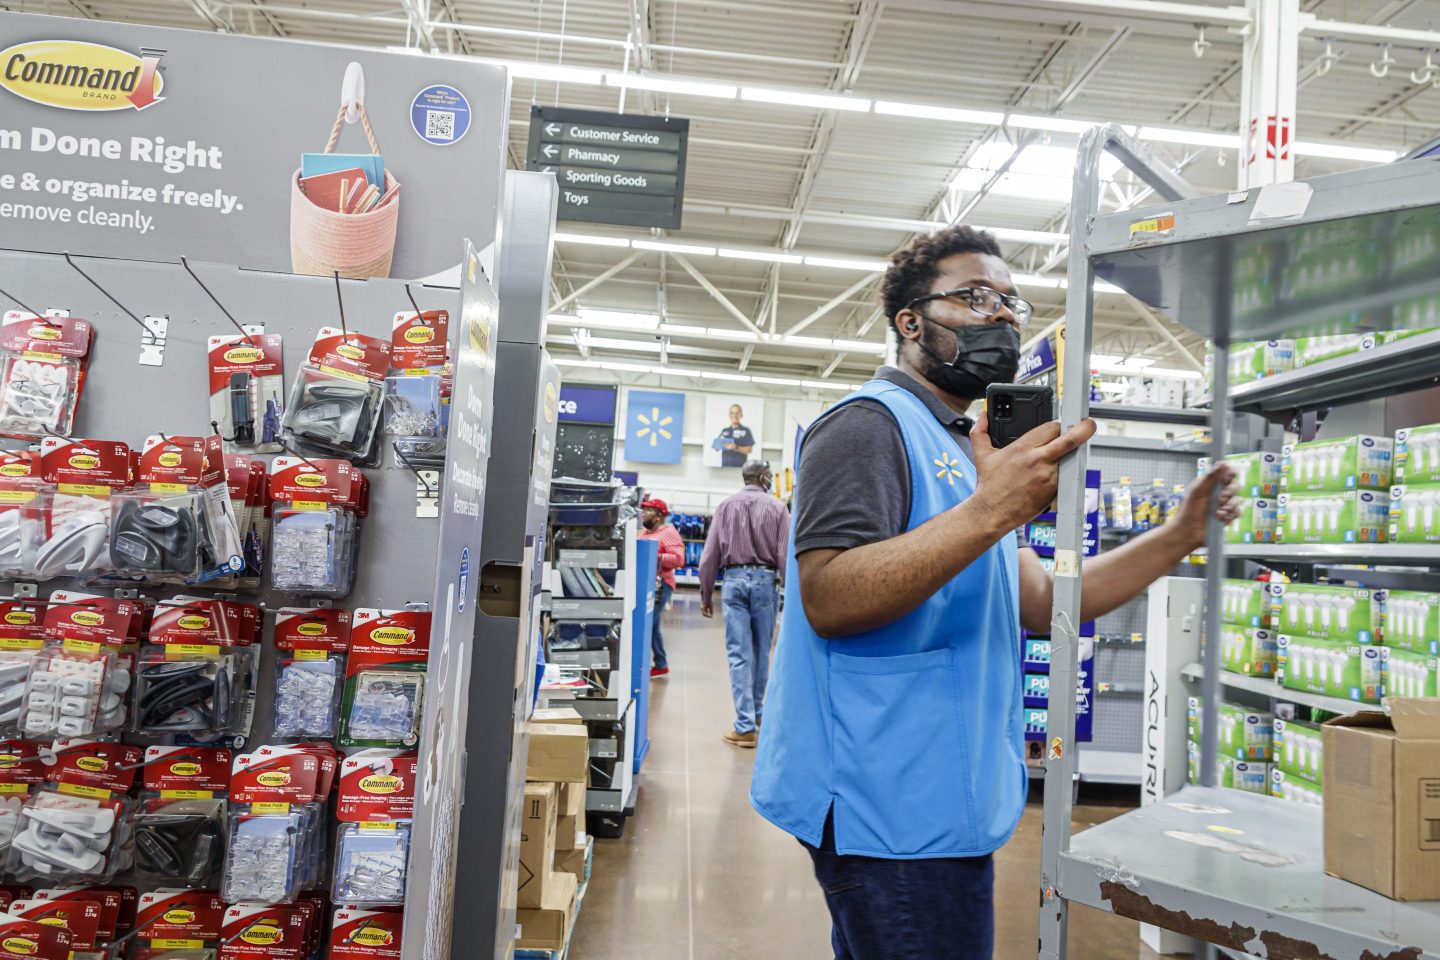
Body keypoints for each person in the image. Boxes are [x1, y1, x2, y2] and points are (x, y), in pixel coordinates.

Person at [749, 225, 1239, 960]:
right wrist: (994, 508)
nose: (1003, 315)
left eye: (1012, 301)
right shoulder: (866, 427)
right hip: (884, 802)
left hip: (940, 796)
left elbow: (1041, 602)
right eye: (974, 297)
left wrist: (1179, 535)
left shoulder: (959, 448)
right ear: (910, 322)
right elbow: (829, 596)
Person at [698, 460, 791, 747]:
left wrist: (705, 594)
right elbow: (786, 553)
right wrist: (787, 591)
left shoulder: (725, 506)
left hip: (734, 581)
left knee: (739, 654)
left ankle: (745, 724)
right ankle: (758, 714)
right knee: (763, 651)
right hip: (766, 582)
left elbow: (708, 556)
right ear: (764, 478)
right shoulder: (777, 508)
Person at [638, 498, 684, 679]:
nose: (644, 514)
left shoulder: (669, 532)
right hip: (648, 584)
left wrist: (656, 556)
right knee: (653, 625)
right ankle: (661, 664)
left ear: (658, 516)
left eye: (648, 511)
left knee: (647, 623)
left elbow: (679, 560)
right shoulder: (646, 532)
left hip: (661, 585)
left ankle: (643, 664)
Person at [715, 403, 756, 468]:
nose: (734, 415)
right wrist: (720, 444)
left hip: (739, 469)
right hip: (724, 468)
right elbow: (716, 448)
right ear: (729, 415)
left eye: (737, 413)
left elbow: (749, 450)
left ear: (741, 415)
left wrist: (736, 447)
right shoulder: (725, 430)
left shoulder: (746, 430)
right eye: (732, 413)